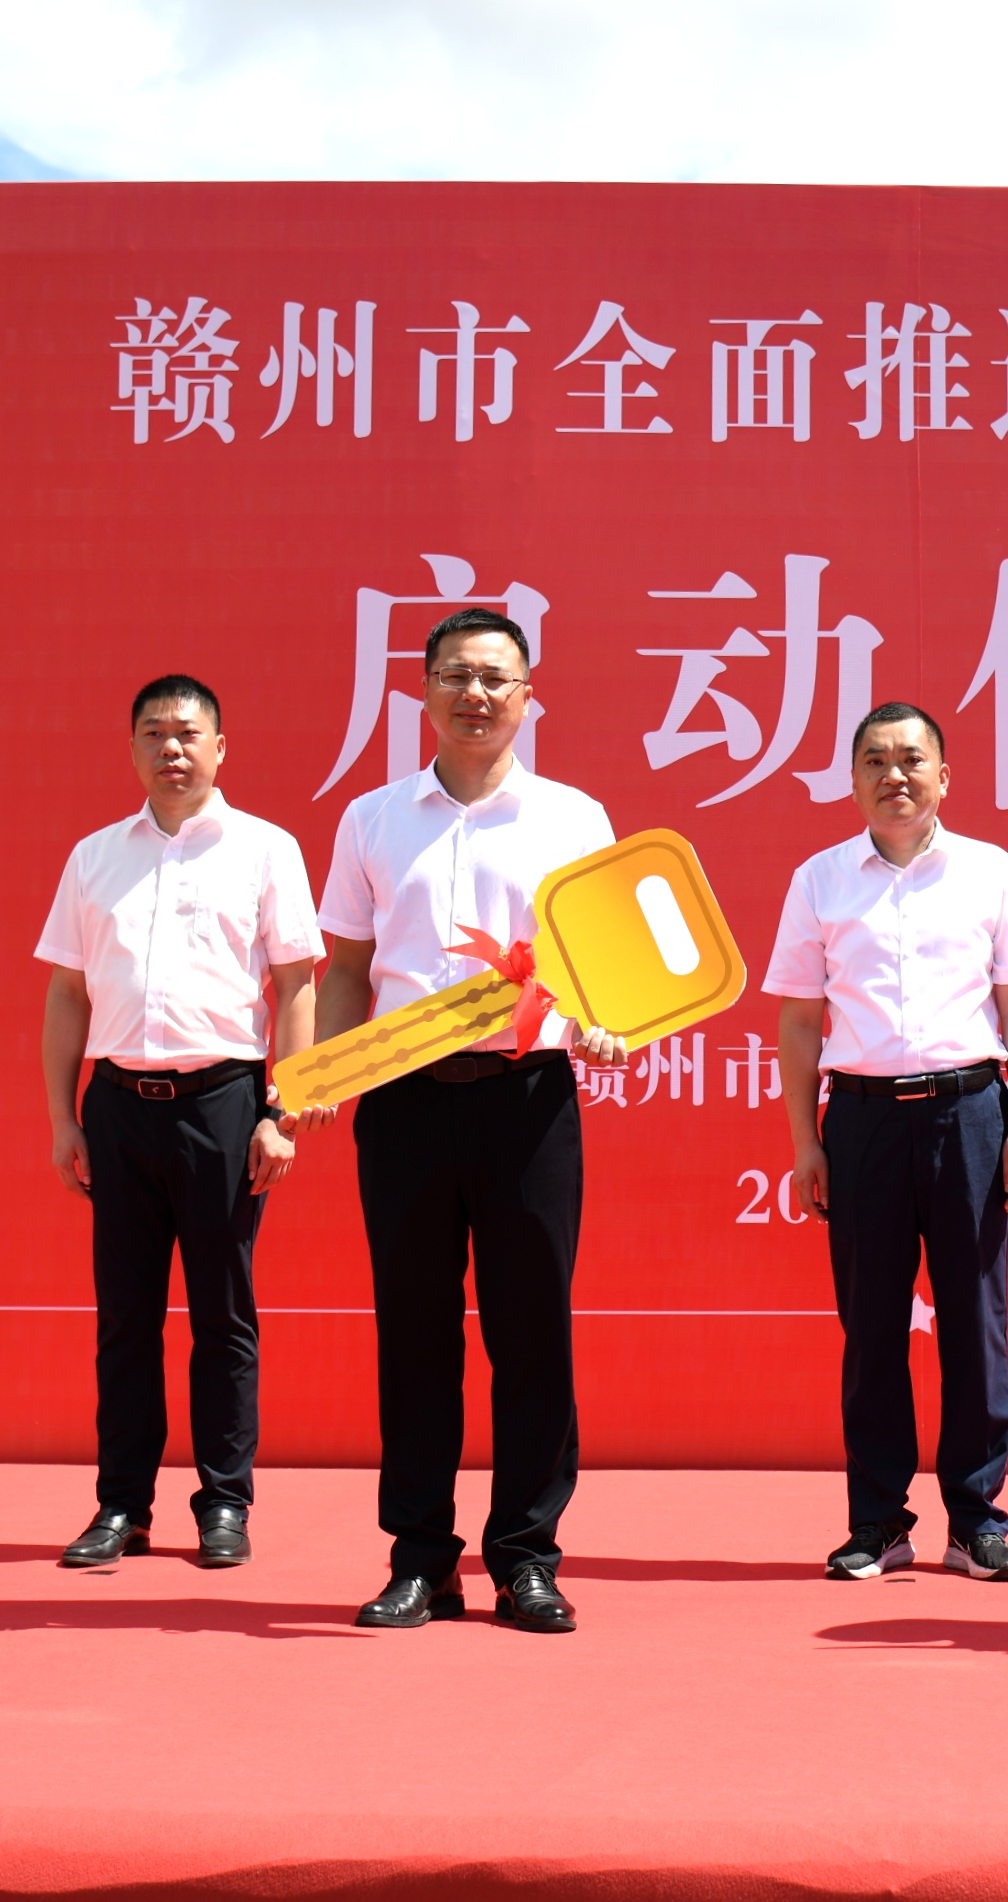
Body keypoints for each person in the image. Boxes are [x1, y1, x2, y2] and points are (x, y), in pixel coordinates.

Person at [314, 608, 630, 1635]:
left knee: (531, 1332)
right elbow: (348, 968)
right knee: (414, 1333)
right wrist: (321, 1071)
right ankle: (419, 1560)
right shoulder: (372, 819)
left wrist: (607, 1023)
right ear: (423, 692)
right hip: (402, 1102)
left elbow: (606, 963)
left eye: (496, 678)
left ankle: (525, 1559)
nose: (475, 695)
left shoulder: (573, 819)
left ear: (529, 698)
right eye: (454, 675)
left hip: (525, 1101)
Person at [35, 675, 320, 1573]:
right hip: (118, 1106)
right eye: (154, 733)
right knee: (125, 1318)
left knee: (222, 1316)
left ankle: (224, 1502)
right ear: (131, 749)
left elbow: (297, 985)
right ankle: (121, 1505)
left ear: (220, 748)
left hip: (224, 1106)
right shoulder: (94, 857)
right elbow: (67, 992)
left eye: (189, 733)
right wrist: (63, 1118)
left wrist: (282, 1112)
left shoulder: (265, 850)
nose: (172, 748)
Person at [766, 703, 1008, 1582]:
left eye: (911, 759)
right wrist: (805, 1143)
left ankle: (977, 1522)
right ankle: (876, 1522)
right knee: (871, 1328)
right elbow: (798, 1021)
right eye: (875, 760)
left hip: (970, 1114)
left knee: (975, 1325)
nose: (894, 775)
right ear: (852, 779)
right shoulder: (819, 879)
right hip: (860, 1122)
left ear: (943, 776)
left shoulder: (989, 871)